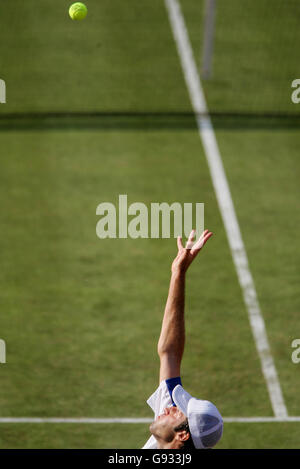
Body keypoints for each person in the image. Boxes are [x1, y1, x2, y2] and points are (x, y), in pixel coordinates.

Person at [143, 229, 223, 449]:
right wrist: (178, 273)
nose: (169, 408)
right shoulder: (170, 432)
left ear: (183, 435)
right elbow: (170, 352)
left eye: (177, 410)